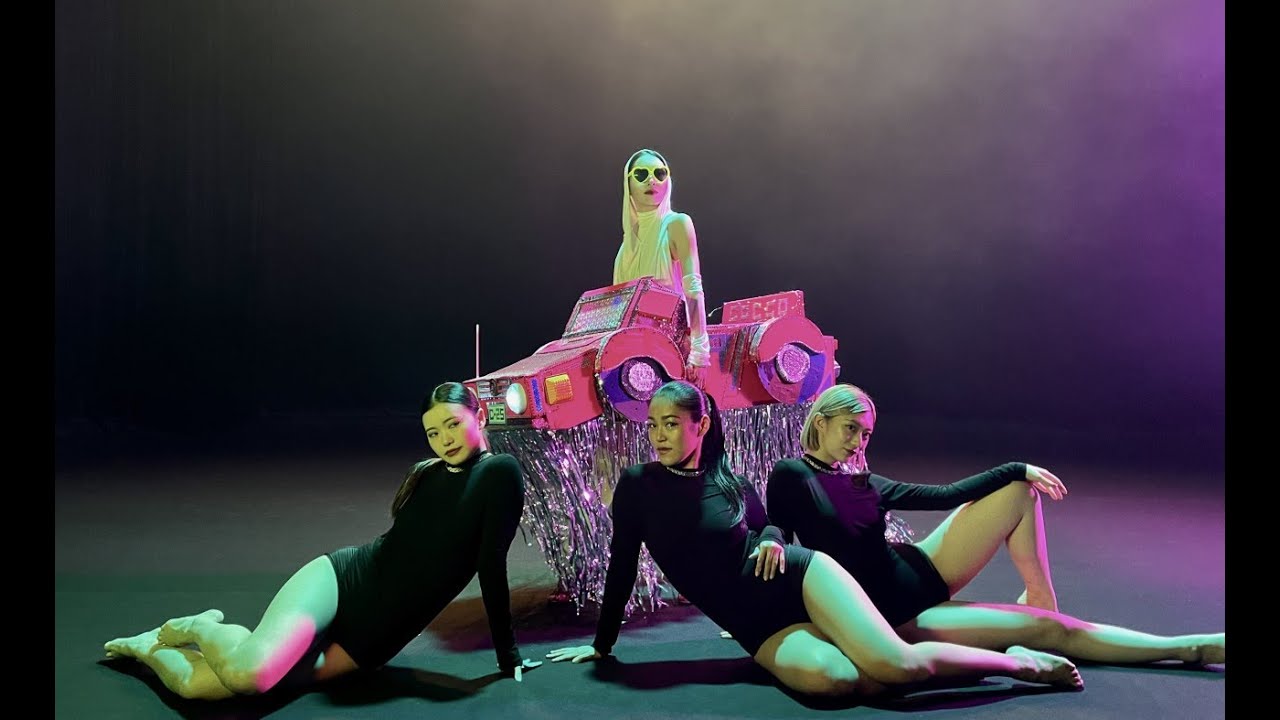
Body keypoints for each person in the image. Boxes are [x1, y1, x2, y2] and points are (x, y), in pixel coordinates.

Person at [547, 380, 1084, 698]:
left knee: (895, 666)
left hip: (802, 580)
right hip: (758, 627)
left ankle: (1021, 664)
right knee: (837, 682)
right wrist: (601, 644)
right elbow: (622, 563)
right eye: (653, 425)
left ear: (701, 425)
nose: (659, 435)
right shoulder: (638, 486)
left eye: (671, 423)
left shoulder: (730, 484)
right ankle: (912, 649)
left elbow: (769, 529)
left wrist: (771, 541)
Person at [103, 382, 542, 700]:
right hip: (341, 583)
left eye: (452, 425)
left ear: (479, 416)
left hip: (370, 641)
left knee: (201, 687)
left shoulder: (499, 472)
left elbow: (491, 564)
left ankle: (146, 649)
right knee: (251, 674)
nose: (444, 440)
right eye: (432, 433)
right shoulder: (426, 474)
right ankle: (200, 626)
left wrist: (508, 657)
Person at [764, 383, 1225, 668]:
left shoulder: (866, 482)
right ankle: (1189, 647)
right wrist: (770, 545)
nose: (858, 442)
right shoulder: (791, 475)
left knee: (1018, 491)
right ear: (820, 423)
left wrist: (1017, 467)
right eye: (850, 428)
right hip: (893, 612)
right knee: (1054, 631)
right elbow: (776, 527)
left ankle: (1040, 596)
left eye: (866, 433)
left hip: (921, 568)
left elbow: (946, 495)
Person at [613, 148, 712, 386]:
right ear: (628, 184)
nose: (651, 180)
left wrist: (699, 352)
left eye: (659, 173)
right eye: (641, 174)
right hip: (637, 360)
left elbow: (693, 288)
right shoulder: (625, 250)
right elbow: (618, 312)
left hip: (676, 353)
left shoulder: (677, 224)